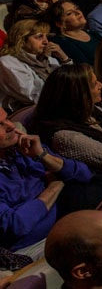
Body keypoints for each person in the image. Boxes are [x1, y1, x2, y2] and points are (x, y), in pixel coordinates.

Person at [33, 64, 102, 208]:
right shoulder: (63, 136)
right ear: (78, 94)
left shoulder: (90, 110)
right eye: (94, 84)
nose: (101, 85)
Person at [0, 105, 92, 256]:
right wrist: (55, 186)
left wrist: (42, 156)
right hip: (34, 245)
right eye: (0, 125)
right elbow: (17, 224)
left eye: (7, 119)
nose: (11, 126)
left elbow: (84, 174)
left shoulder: (22, 147)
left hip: (68, 220)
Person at [48, 0, 102, 65]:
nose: (78, 12)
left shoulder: (92, 33)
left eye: (76, 8)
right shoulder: (62, 42)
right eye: (69, 13)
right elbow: (85, 67)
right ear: (59, 24)